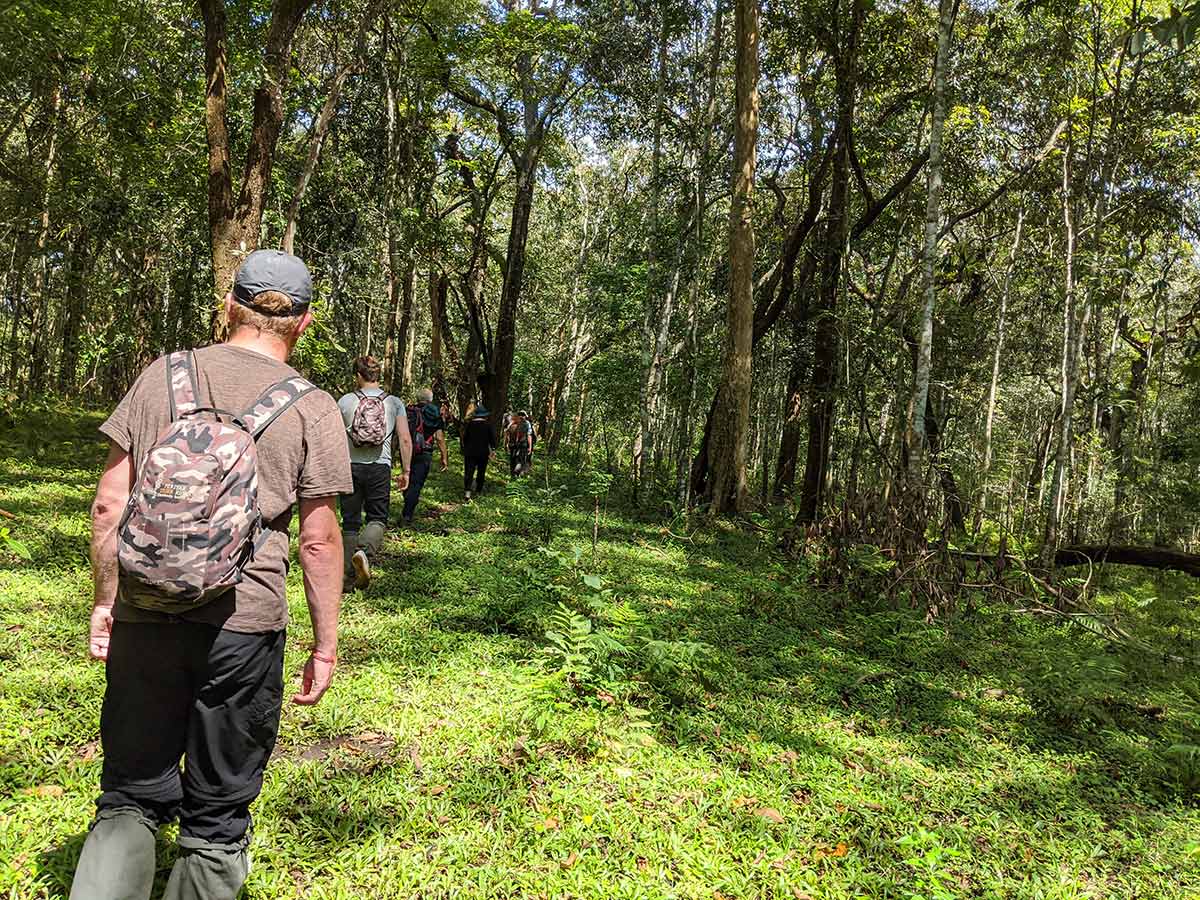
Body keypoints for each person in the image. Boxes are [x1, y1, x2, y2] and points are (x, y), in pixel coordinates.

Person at [74, 249, 352, 900]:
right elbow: (318, 540)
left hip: (147, 613)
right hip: (245, 629)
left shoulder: (161, 376)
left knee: (129, 795)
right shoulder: (312, 406)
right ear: (304, 323)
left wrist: (105, 601)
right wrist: (326, 642)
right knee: (218, 818)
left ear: (229, 305)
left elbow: (110, 502)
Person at [337, 355, 412, 590]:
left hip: (350, 466)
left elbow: (334, 438)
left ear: (358, 375)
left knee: (350, 522)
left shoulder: (345, 401)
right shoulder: (394, 402)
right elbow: (406, 439)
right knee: (377, 518)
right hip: (381, 466)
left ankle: (348, 578)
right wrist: (406, 470)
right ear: (378, 375)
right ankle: (364, 552)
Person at [401, 387, 448, 523]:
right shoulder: (433, 413)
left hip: (407, 450)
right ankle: (407, 514)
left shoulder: (408, 411)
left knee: (408, 478)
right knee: (416, 483)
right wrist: (444, 457)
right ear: (430, 399)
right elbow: (439, 437)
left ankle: (408, 503)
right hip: (424, 451)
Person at [460, 403, 497, 500]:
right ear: (484, 415)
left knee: (469, 471)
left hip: (470, 452)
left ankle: (467, 492)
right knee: (481, 471)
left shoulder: (469, 424)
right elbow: (492, 439)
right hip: (483, 453)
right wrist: (493, 450)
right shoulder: (488, 425)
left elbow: (464, 438)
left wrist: (465, 447)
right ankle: (478, 490)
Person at [507, 410, 534, 477]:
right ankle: (517, 473)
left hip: (513, 444)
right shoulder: (526, 423)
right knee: (520, 459)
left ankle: (512, 474)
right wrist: (530, 447)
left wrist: (506, 444)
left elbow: (507, 433)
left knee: (512, 458)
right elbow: (529, 435)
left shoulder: (513, 422)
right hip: (523, 444)